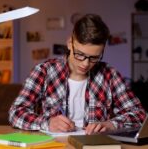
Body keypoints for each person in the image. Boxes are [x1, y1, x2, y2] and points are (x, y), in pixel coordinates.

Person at [9, 14, 146, 135]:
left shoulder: (110, 75)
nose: (86, 64)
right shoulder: (44, 71)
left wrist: (111, 125)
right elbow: (15, 113)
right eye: (80, 54)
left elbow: (139, 115)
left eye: (94, 57)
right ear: (70, 43)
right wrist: (47, 122)